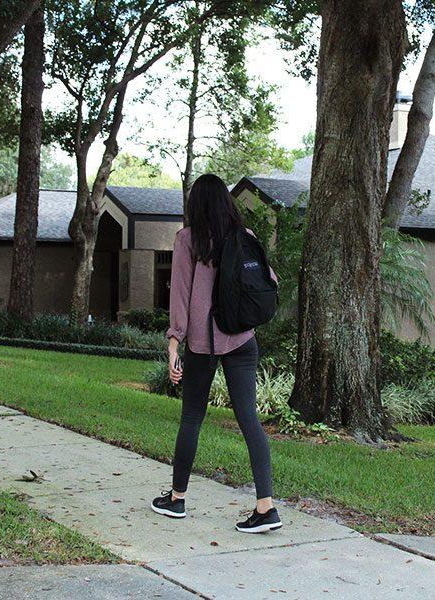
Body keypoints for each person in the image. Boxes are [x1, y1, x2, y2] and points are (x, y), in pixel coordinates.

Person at [150, 174, 281, 534]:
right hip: (242, 339)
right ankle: (266, 507)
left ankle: (177, 499)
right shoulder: (246, 238)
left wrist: (174, 343)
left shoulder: (188, 240)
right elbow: (270, 280)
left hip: (203, 344)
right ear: (226, 203)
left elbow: (179, 294)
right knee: (249, 419)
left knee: (192, 417)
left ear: (196, 205)